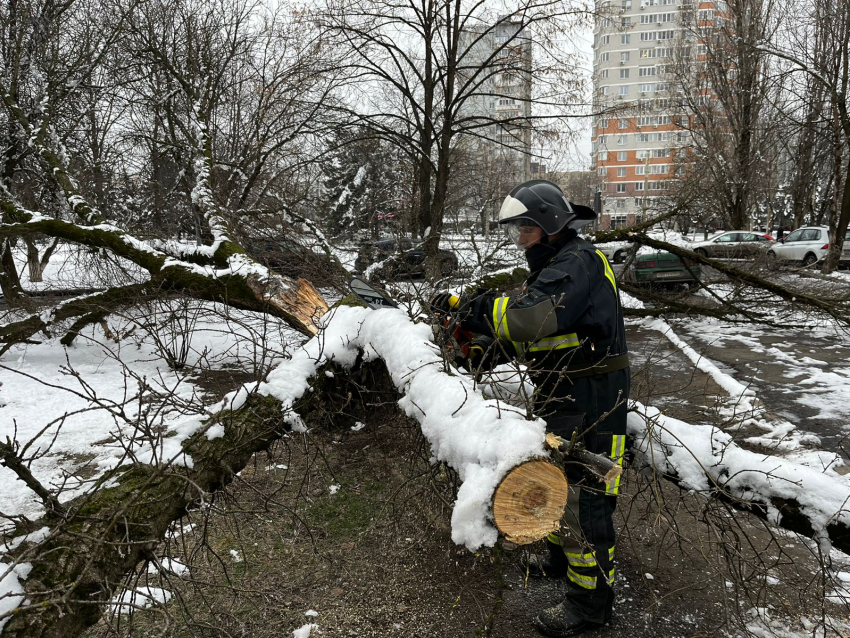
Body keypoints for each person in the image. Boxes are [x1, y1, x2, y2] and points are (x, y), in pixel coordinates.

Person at [431, 180, 630, 637]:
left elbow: (528, 318)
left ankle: (590, 606)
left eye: (525, 227)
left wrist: (470, 307)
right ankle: (561, 562)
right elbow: (534, 335)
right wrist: (480, 349)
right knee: (555, 481)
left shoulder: (577, 263)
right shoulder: (554, 268)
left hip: (592, 398)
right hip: (562, 394)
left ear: (549, 224)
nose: (519, 236)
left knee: (587, 505)